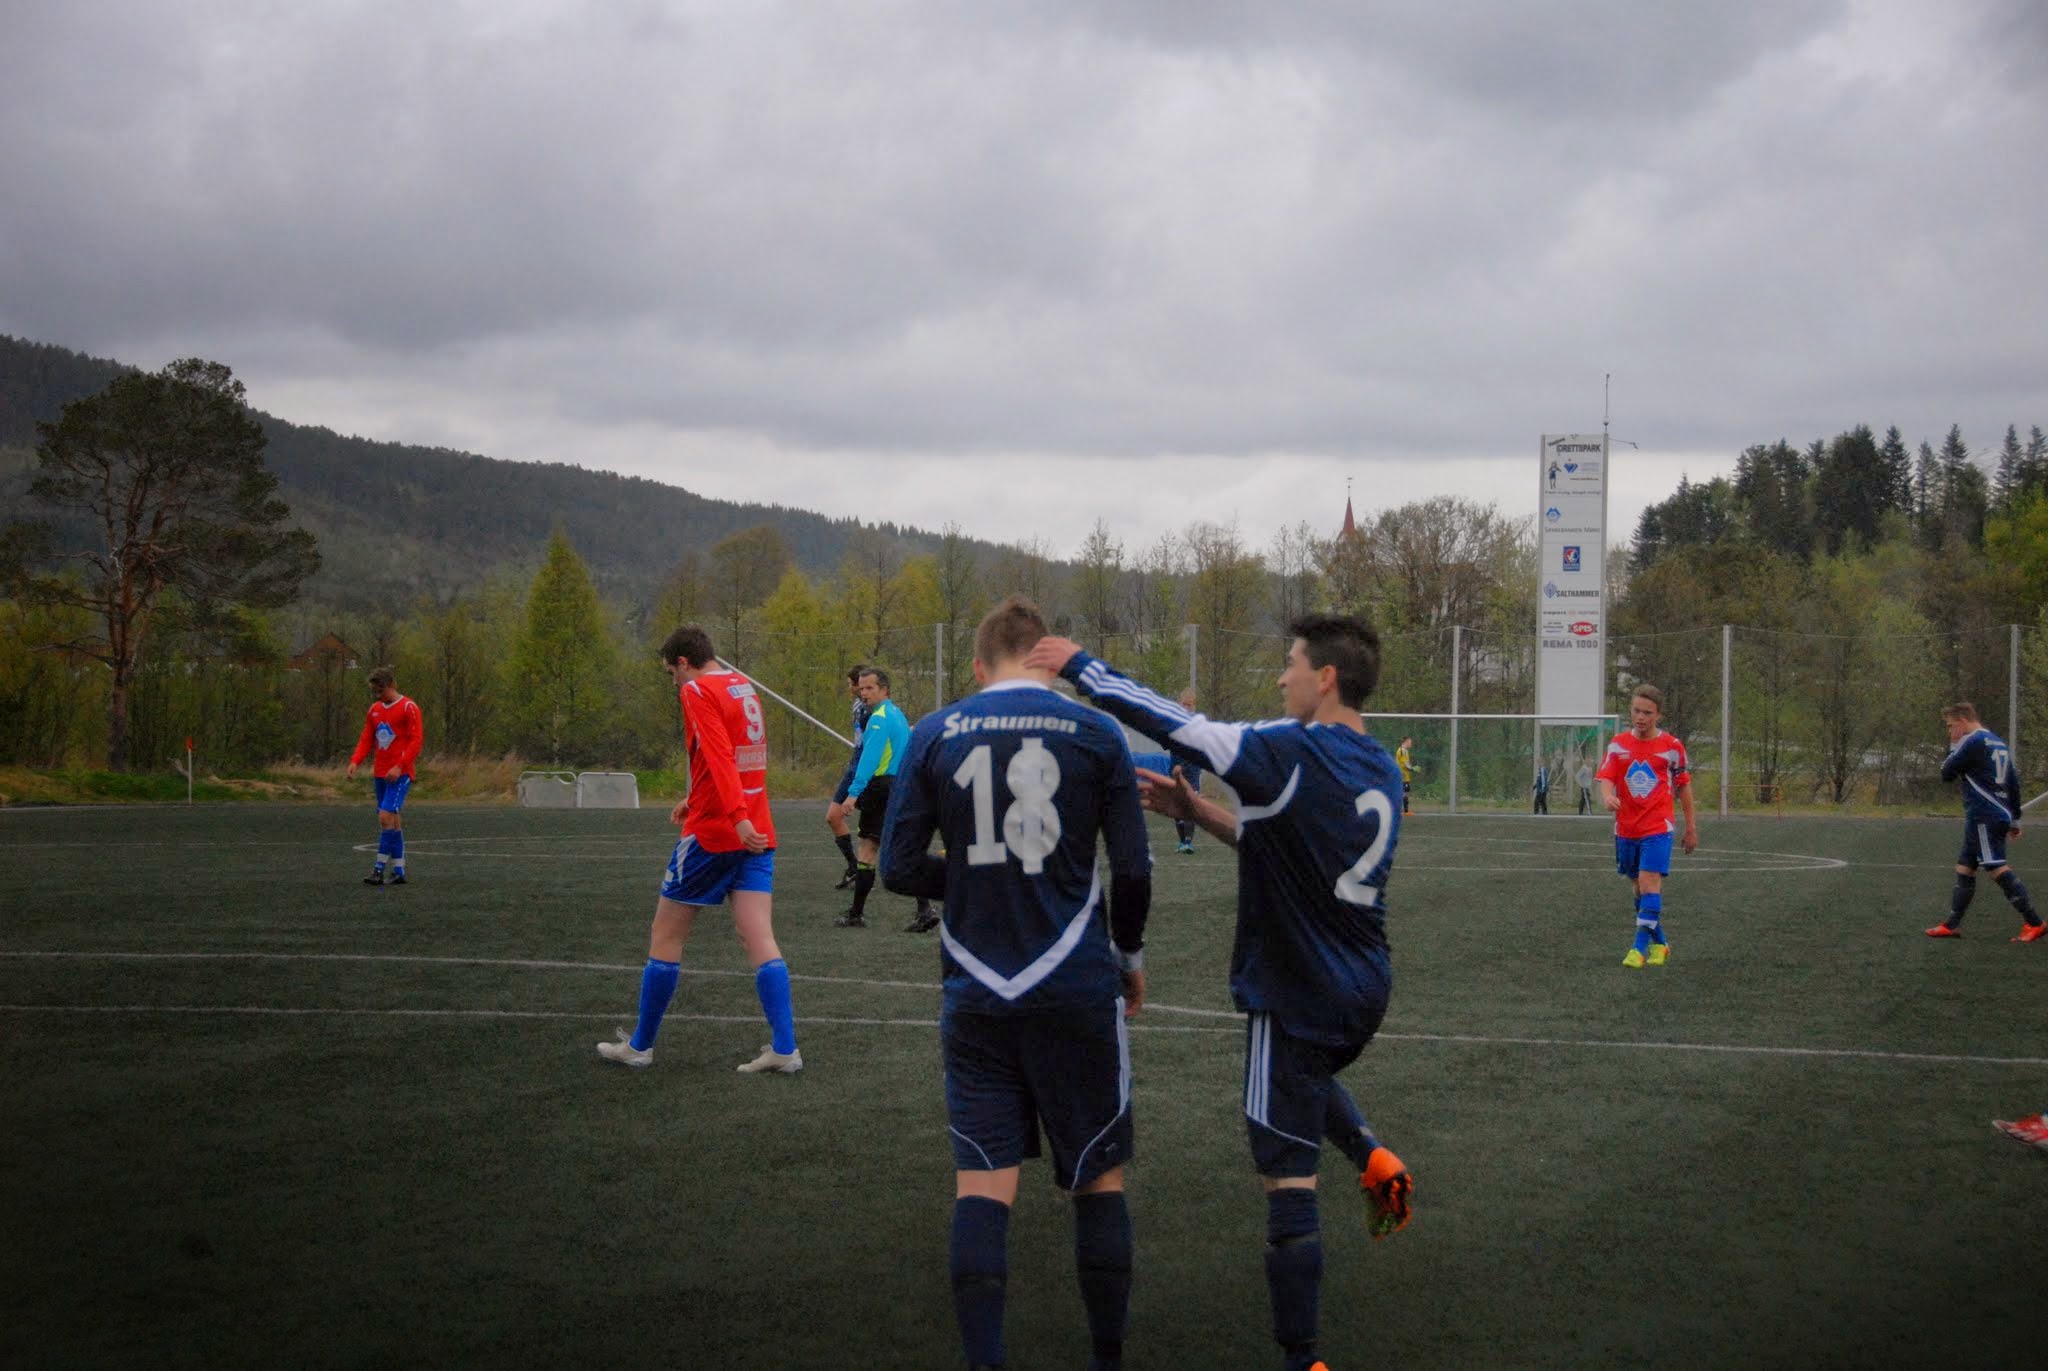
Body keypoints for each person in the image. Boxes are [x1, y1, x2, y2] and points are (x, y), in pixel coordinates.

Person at [1024, 615, 1413, 1371]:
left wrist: (1083, 666)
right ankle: (1372, 1158)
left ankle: (1303, 1358)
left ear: (1326, 677)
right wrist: (1200, 812)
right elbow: (1293, 844)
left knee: (1286, 1175)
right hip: (1365, 983)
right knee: (1305, 1076)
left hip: (1298, 986)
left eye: (1291, 663)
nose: (1282, 676)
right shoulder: (1379, 765)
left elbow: (1181, 727)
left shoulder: (1289, 747)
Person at [881, 595, 1154, 1371]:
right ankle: (1107, 1359)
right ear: (1045, 659)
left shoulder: (935, 731)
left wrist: (972, 877)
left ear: (978, 665)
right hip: (1076, 982)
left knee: (982, 1181)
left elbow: (897, 866)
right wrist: (1129, 959)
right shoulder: (1097, 731)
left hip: (976, 989)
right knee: (1098, 1175)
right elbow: (1133, 870)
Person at [596, 625, 800, 1074]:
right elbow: (744, 756)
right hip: (758, 830)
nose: (674, 681)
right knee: (758, 937)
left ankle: (640, 1046)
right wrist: (704, 799)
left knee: (666, 934)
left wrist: (733, 815)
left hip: (717, 833)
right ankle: (786, 1048)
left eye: (671, 672)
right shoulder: (740, 684)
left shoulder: (697, 691)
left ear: (684, 663)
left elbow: (719, 755)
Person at [1597, 685, 1699, 968]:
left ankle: (1638, 949)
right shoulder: (1618, 744)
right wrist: (1607, 796)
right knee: (1638, 889)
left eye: (1647, 713)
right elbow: (1606, 776)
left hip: (1658, 826)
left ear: (1658, 715)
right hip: (1626, 828)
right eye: (1636, 711)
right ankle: (1661, 944)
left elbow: (1684, 787)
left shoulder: (1672, 747)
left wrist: (1691, 827)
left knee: (1648, 881)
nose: (1640, 717)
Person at [1926, 702, 2043, 942]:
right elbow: (2012, 782)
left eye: (1950, 726)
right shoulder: (1997, 741)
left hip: (1984, 814)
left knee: (1995, 866)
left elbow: (1946, 773)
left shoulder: (1972, 740)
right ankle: (1951, 925)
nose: (1950, 731)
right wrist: (2015, 818)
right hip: (1993, 813)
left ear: (1962, 722)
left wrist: (1954, 744)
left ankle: (2035, 922)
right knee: (1965, 867)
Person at [832, 667, 937, 932]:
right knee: (901, 846)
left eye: (870, 688)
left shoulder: (878, 719)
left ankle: (857, 914)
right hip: (900, 786)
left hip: (880, 789)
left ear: (884, 690)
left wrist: (853, 794)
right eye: (862, 688)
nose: (864, 693)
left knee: (868, 850)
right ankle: (924, 909)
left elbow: (869, 760)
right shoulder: (897, 714)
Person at [344, 666, 423, 886]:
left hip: (400, 774)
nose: (378, 695)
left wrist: (399, 766)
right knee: (393, 822)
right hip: (380, 773)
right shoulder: (374, 710)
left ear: (391, 685)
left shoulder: (408, 707)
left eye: (381, 690)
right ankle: (398, 870)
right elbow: (367, 738)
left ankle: (378, 870)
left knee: (385, 817)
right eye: (375, 691)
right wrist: (355, 761)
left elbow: (416, 741)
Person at [826, 665, 871, 891]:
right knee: (833, 817)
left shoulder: (875, 710)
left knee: (877, 831)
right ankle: (854, 867)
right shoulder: (857, 706)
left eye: (852, 685)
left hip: (869, 770)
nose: (855, 690)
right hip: (854, 766)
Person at [1171, 687, 1204, 853]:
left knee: (1190, 804)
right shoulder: (1173, 722)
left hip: (1192, 770)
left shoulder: (1198, 723)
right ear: (1179, 704)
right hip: (1176, 768)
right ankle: (1182, 842)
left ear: (1194, 706)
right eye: (1184, 704)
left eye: (1190, 705)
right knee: (1177, 805)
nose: (1187, 707)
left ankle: (1188, 842)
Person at [1394, 736, 1415, 815]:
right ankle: (1402, 811)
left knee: (1405, 793)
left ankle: (1406, 811)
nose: (1411, 744)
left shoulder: (1405, 751)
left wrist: (1411, 768)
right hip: (1402, 776)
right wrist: (1413, 769)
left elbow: (1406, 763)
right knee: (1403, 793)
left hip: (1405, 776)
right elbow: (1405, 764)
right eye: (1410, 742)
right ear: (1406, 742)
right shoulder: (1402, 751)